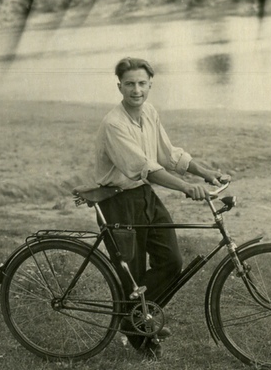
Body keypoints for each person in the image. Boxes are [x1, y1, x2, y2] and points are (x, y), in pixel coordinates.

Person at [93, 57, 229, 359]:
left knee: (171, 262)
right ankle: (140, 331)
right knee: (134, 273)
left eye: (142, 83)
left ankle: (133, 319)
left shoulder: (150, 113)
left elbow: (169, 156)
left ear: (150, 85)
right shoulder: (114, 124)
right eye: (129, 84)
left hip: (144, 196)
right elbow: (145, 168)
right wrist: (185, 187)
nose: (136, 90)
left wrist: (205, 173)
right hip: (117, 201)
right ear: (119, 86)